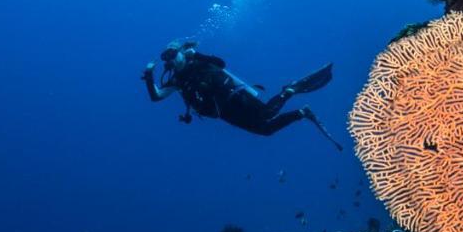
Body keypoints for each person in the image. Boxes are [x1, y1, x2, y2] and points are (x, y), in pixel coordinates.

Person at [142, 40, 341, 149]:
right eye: (167, 57)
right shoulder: (177, 80)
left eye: (173, 54)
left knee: (266, 114)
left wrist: (197, 55)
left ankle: (289, 90)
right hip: (222, 113)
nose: (171, 60)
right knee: (265, 130)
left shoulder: (197, 62)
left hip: (233, 96)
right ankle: (302, 113)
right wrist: (149, 78)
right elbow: (157, 96)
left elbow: (221, 64)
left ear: (180, 52)